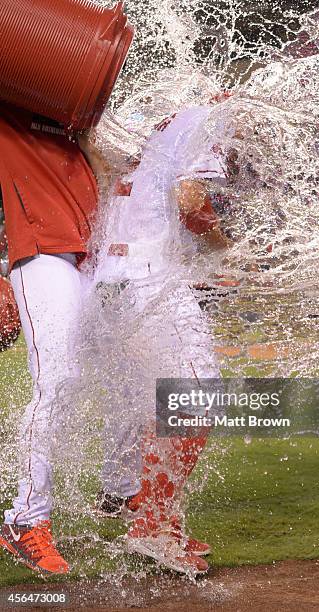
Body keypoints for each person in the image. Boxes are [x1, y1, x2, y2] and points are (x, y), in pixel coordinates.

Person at [79, 101, 232, 576]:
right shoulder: (209, 117)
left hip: (105, 278)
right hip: (147, 275)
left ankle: (156, 517)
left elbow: (101, 170)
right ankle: (152, 527)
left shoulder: (146, 121)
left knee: (153, 406)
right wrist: (230, 249)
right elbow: (190, 202)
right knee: (196, 398)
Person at [0, 102, 98, 574]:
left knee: (107, 379)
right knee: (56, 380)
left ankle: (127, 498)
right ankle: (25, 519)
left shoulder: (75, 111)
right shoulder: (9, 103)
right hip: (42, 253)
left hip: (93, 255)